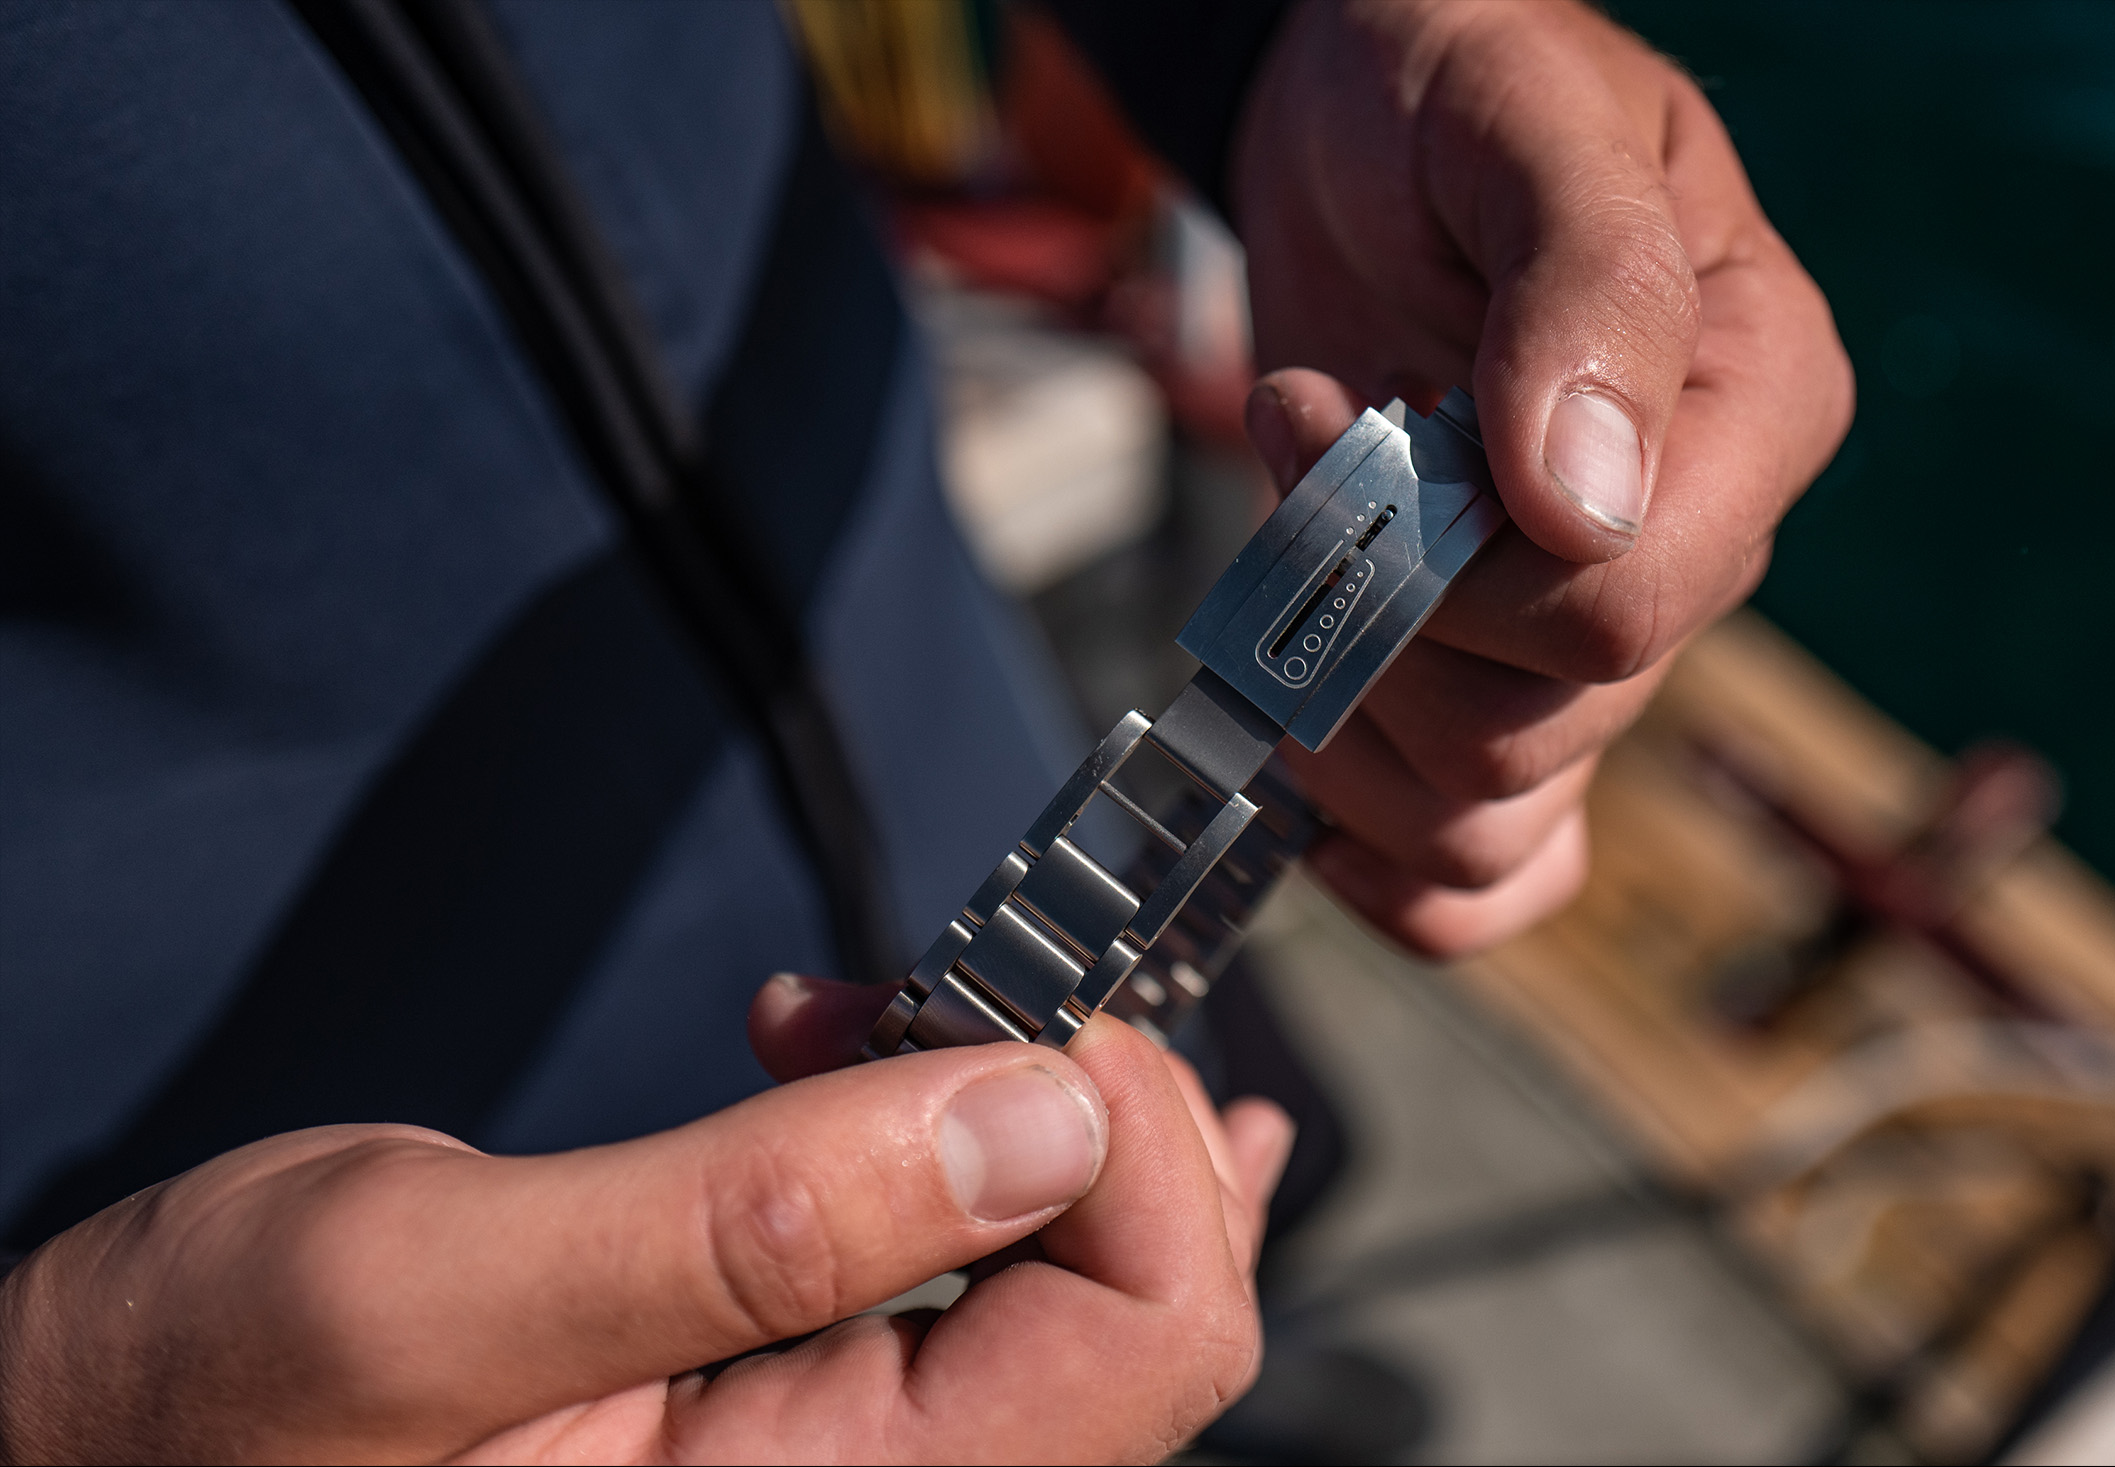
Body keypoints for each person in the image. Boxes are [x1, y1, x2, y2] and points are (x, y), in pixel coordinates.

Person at [0, 0, 1850, 1459]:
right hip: (240, 1211)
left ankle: (1241, 1352)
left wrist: (1287, 33)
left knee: (1216, 1200)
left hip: (973, 755)